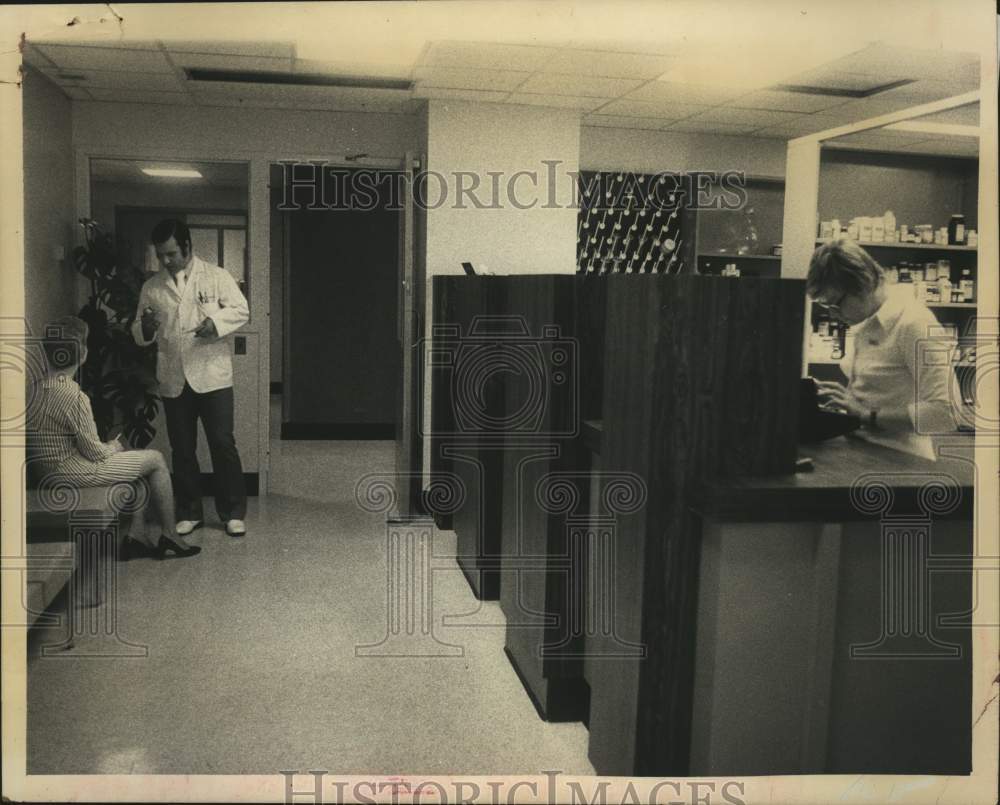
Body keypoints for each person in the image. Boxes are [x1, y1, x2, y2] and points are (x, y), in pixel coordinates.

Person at [27, 316, 200, 560]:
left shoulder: (36, 387)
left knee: (139, 472)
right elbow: (95, 453)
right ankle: (170, 535)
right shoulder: (72, 396)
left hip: (49, 472)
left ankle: (137, 537)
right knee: (156, 460)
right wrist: (114, 447)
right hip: (70, 472)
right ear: (82, 354)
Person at [132, 219, 250, 537]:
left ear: (187, 247)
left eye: (171, 254)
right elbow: (138, 331)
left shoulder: (216, 276)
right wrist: (146, 328)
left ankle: (232, 512)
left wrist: (215, 323)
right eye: (161, 255)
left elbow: (241, 310)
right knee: (182, 448)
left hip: (212, 376)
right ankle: (189, 511)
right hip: (173, 376)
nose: (166, 261)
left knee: (222, 444)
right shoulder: (152, 287)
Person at [807, 238, 956, 459]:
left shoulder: (914, 323)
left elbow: (947, 413)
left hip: (900, 463)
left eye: (835, 304)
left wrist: (866, 415)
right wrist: (843, 402)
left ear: (864, 284)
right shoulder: (867, 320)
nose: (831, 314)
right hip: (863, 454)